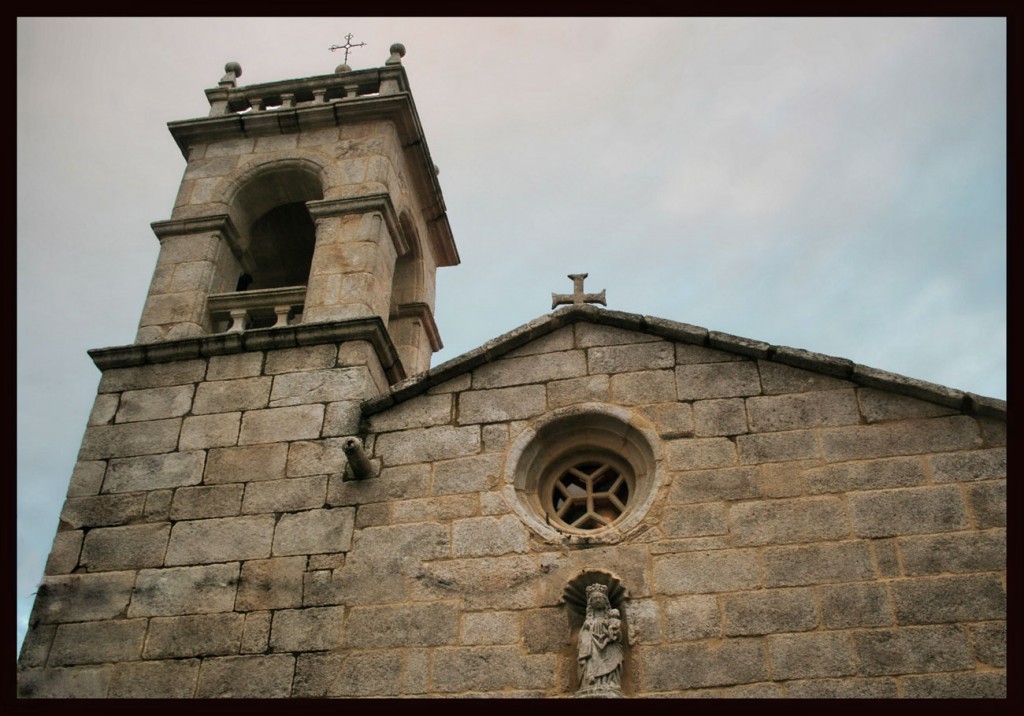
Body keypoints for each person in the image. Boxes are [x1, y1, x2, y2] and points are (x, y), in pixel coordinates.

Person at [577, 584, 623, 694]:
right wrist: (586, 631)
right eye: (595, 598)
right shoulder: (588, 621)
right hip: (592, 644)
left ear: (605, 601)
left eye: (600, 598)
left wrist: (614, 634)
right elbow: (582, 637)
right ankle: (592, 683)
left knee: (613, 657)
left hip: (609, 645)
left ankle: (610, 681)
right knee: (593, 660)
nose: (598, 600)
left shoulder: (611, 619)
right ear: (590, 602)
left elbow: (618, 635)